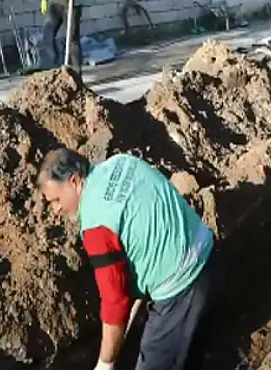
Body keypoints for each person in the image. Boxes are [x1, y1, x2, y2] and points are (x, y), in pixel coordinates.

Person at [37, 149, 217, 370]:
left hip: (183, 285)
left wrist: (105, 362)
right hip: (207, 249)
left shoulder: (97, 226)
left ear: (74, 181)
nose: (55, 210)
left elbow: (115, 301)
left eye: (56, 200)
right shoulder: (122, 163)